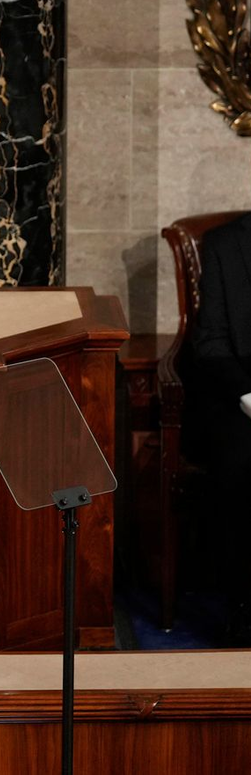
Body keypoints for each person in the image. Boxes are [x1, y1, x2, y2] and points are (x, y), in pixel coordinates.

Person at [190, 214, 251, 636]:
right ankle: (244, 610)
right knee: (241, 468)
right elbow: (209, 339)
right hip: (241, 395)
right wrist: (248, 397)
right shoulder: (223, 243)